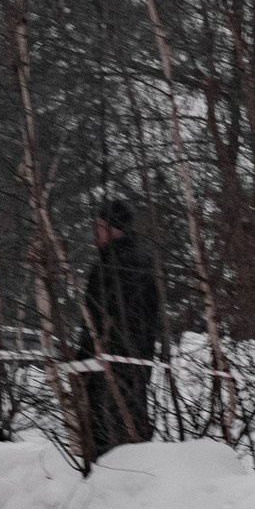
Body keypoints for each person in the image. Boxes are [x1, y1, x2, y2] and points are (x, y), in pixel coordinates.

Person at [77, 200, 161, 466]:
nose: (96, 233)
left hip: (109, 366)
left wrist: (85, 362)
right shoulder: (144, 263)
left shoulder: (109, 268)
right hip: (135, 365)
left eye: (100, 227)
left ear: (114, 229)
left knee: (107, 436)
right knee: (131, 431)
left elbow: (96, 320)